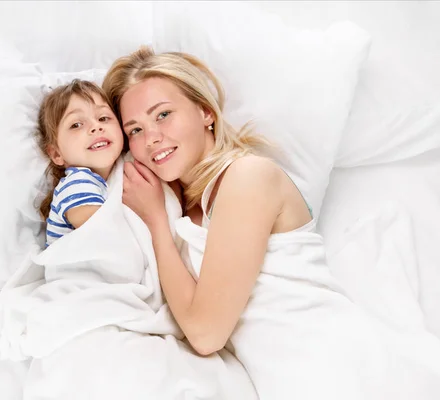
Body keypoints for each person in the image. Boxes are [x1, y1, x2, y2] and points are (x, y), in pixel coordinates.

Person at [102, 46, 440, 399]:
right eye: (135, 130)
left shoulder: (246, 177)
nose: (150, 137)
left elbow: (205, 334)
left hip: (340, 369)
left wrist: (157, 223)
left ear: (205, 112)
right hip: (289, 382)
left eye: (163, 114)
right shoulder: (183, 208)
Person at [35, 79, 124, 246]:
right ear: (56, 153)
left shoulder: (113, 177)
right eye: (76, 124)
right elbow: (107, 239)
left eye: (103, 118)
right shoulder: (77, 184)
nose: (96, 127)